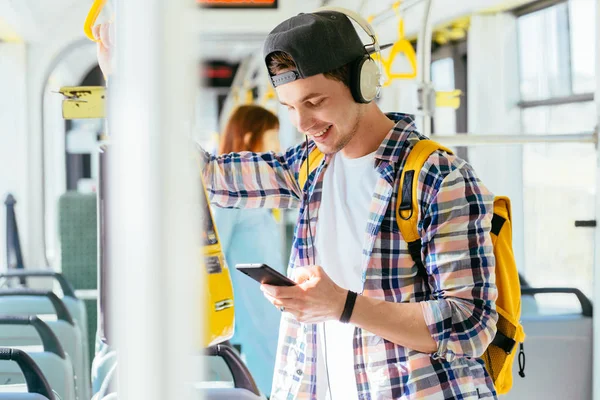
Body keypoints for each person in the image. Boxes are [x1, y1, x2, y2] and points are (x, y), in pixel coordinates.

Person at [95, 7, 498, 399]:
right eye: (288, 107)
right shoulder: (311, 166)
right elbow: (205, 174)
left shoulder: (438, 177)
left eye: (314, 101)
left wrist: (342, 305)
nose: (302, 124)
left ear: (365, 81)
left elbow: (471, 324)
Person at [211, 104, 285, 397]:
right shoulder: (229, 190)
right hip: (247, 311)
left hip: (268, 307)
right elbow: (215, 254)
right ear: (251, 136)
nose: (278, 147)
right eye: (273, 137)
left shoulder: (253, 190)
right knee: (258, 381)